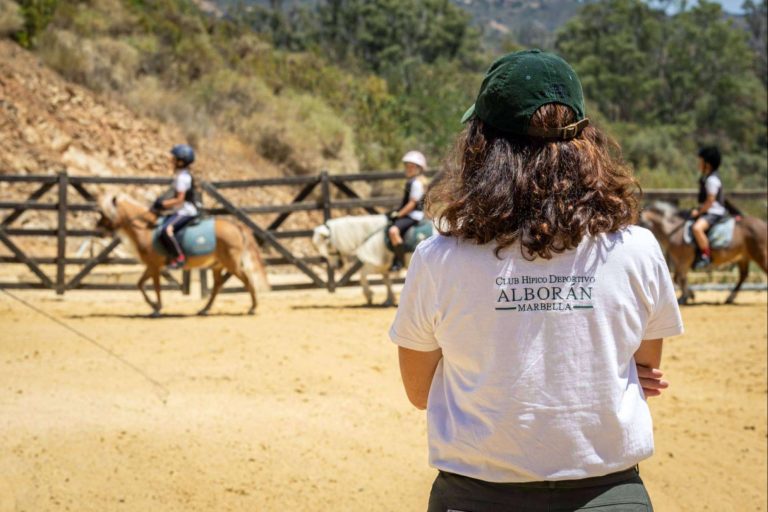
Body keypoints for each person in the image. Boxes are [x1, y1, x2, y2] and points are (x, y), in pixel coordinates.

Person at [389, 50, 683, 512]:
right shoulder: (638, 248)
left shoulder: (438, 258)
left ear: (481, 146)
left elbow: (419, 391)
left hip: (476, 494)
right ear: (587, 141)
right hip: (608, 492)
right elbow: (643, 369)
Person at [153, 144, 199, 269]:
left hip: (186, 211)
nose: (172, 161)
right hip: (180, 209)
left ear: (180, 161)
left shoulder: (182, 178)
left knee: (167, 230)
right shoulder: (181, 175)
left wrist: (163, 204)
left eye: (174, 159)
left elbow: (179, 199)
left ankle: (179, 257)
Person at [388, 150, 427, 271]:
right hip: (409, 215)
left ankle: (400, 261)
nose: (408, 169)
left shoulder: (416, 184)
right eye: (407, 166)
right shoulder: (411, 182)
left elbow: (412, 203)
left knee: (393, 231)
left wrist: (399, 214)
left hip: (414, 216)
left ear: (419, 169)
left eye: (412, 167)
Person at [691, 146, 726, 269]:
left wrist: (698, 212)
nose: (698, 164)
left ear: (708, 164)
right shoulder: (708, 177)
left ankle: (706, 256)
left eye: (700, 161)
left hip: (714, 212)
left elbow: (710, 201)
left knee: (696, 229)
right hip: (710, 210)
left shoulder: (712, 180)